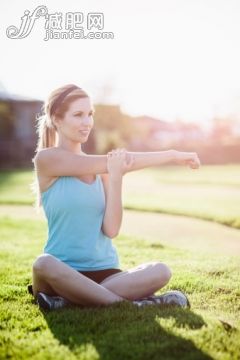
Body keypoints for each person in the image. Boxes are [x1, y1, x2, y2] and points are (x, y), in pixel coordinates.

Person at [29, 83, 200, 310]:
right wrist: (172, 155)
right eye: (78, 115)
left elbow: (111, 230)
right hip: (61, 272)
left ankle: (71, 300)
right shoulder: (47, 160)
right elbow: (119, 160)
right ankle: (135, 305)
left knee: (161, 270)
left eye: (90, 114)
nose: (87, 122)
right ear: (56, 119)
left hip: (108, 274)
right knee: (43, 264)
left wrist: (116, 177)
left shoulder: (105, 171)